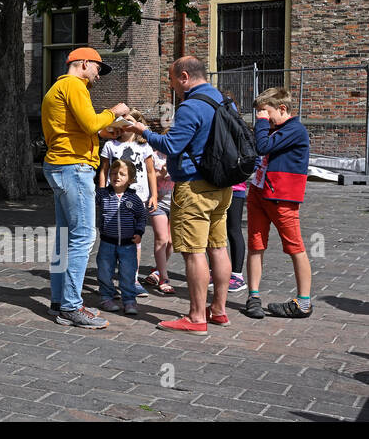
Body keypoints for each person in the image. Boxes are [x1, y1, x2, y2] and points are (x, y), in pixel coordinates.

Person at [130, 56, 232, 333]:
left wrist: (143, 131)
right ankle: (219, 310)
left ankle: (197, 317)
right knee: (218, 247)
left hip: (194, 186)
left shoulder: (191, 106)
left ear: (184, 76)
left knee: (194, 252)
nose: (171, 85)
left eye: (172, 80)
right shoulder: (224, 101)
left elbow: (172, 146)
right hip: (222, 185)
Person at [40, 46, 130, 329]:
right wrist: (114, 112)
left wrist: (108, 129)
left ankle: (59, 300)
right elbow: (91, 123)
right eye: (97, 68)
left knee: (65, 238)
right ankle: (71, 307)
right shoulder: (74, 86)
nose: (98, 76)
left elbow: (80, 127)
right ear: (82, 63)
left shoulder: (57, 88)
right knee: (82, 237)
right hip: (74, 167)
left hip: (59, 165)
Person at [244, 87, 313, 320]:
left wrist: (262, 125)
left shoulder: (295, 130)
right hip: (258, 192)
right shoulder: (273, 128)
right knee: (255, 244)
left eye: (265, 112)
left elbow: (263, 146)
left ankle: (304, 302)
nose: (261, 117)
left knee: (295, 247)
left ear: (282, 108)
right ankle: (253, 296)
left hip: (282, 198)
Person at [97, 111, 156, 296]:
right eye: (121, 122)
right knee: (111, 236)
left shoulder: (144, 146)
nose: (125, 125)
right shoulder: (110, 145)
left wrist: (154, 195)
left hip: (137, 197)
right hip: (113, 197)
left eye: (129, 122)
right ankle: (108, 282)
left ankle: (133, 279)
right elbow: (104, 170)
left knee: (134, 238)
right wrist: (101, 192)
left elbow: (150, 172)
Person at [95, 159, 148, 316]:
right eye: (113, 173)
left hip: (128, 245)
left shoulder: (134, 199)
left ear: (131, 179)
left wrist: (139, 232)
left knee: (127, 273)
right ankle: (106, 297)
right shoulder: (103, 195)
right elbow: (90, 195)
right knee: (104, 271)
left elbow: (141, 217)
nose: (116, 176)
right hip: (107, 243)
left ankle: (129, 300)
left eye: (122, 174)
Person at [219, 92, 249, 294]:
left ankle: (237, 275)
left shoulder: (239, 131)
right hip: (220, 187)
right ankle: (219, 270)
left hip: (235, 188)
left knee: (233, 229)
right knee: (218, 232)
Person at [142, 122, 176, 295]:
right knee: (161, 239)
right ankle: (164, 278)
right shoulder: (155, 156)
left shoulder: (180, 155)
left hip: (177, 203)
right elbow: (147, 176)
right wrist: (161, 173)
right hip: (158, 202)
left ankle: (157, 270)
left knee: (171, 241)